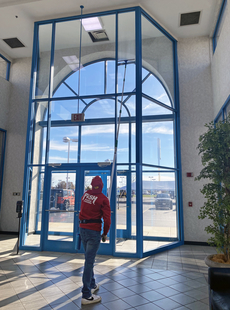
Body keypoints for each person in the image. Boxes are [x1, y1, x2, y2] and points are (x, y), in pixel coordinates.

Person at [79, 175, 111, 305]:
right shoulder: (103, 199)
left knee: (88, 258)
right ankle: (86, 295)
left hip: (83, 229)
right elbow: (107, 219)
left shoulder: (85, 195)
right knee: (89, 262)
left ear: (92, 185)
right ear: (102, 186)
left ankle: (92, 284)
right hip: (93, 232)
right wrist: (105, 233)